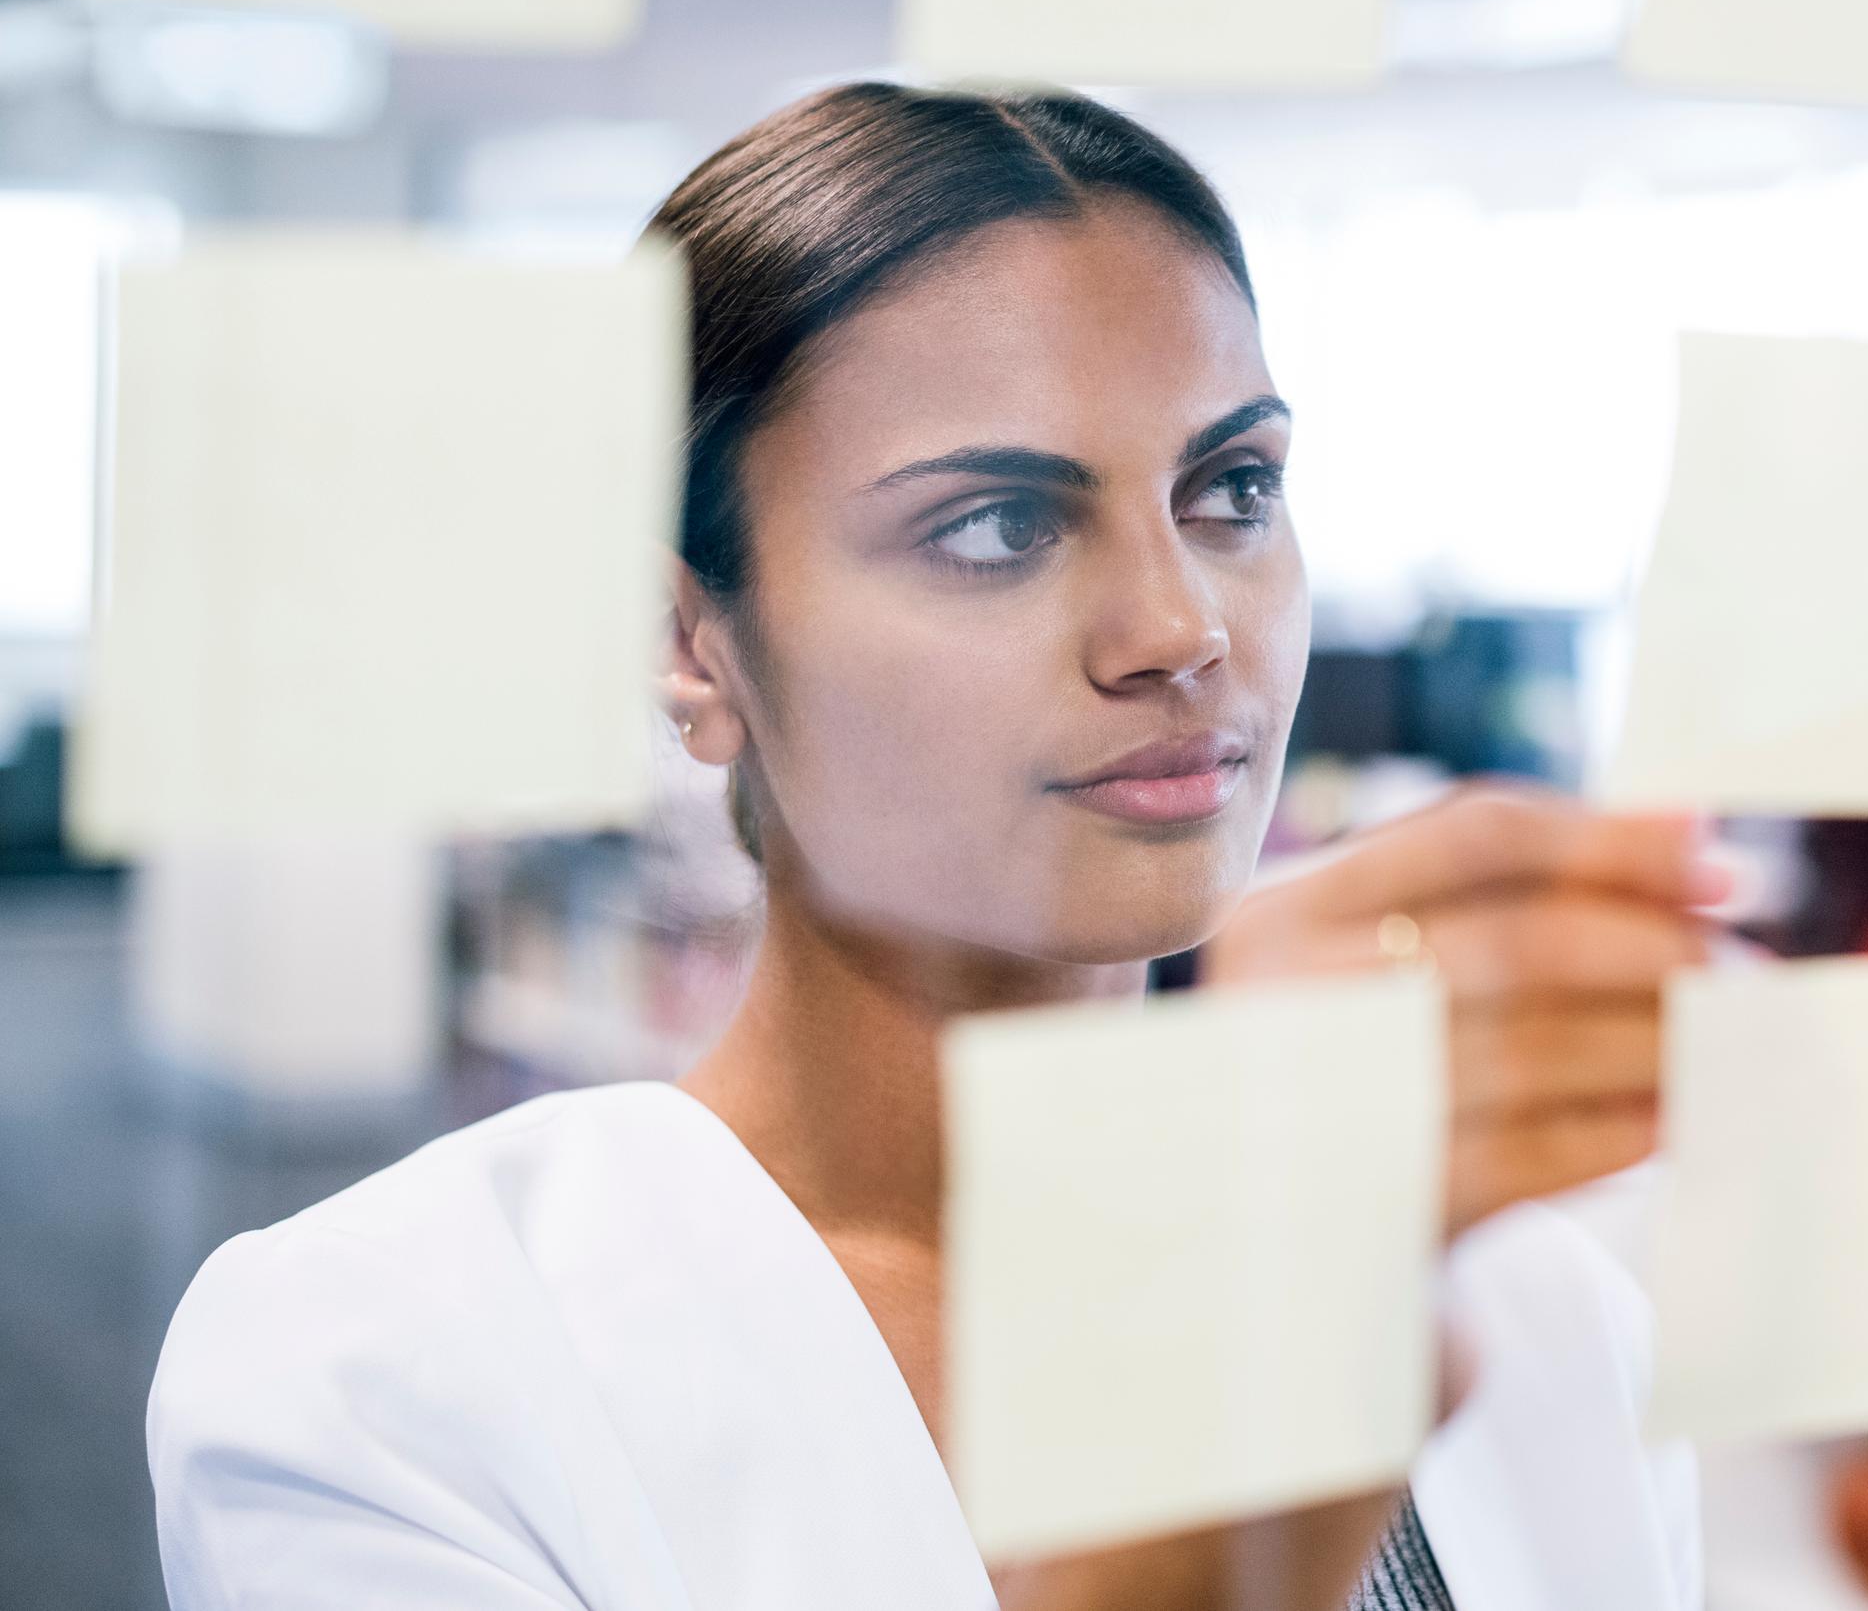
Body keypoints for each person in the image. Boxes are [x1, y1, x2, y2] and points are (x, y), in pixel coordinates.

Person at [145, 84, 1720, 1611]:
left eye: (1232, 487)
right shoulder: (378, 1379)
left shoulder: (1539, 1309)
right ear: (691, 640)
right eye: (994, 527)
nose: (1179, 629)